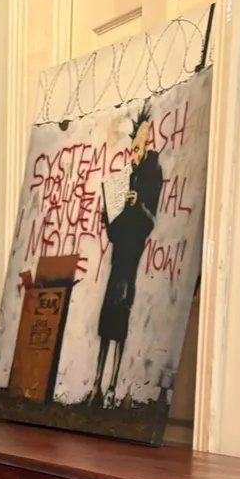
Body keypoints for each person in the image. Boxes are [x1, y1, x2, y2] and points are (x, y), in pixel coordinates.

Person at [91, 102, 163, 408]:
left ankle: (111, 386)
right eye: (136, 140)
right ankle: (96, 384)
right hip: (118, 256)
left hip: (132, 257)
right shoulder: (125, 177)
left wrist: (138, 204)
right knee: (107, 319)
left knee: (120, 319)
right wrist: (109, 216)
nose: (138, 147)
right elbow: (113, 232)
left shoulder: (151, 174)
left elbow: (151, 220)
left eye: (143, 140)